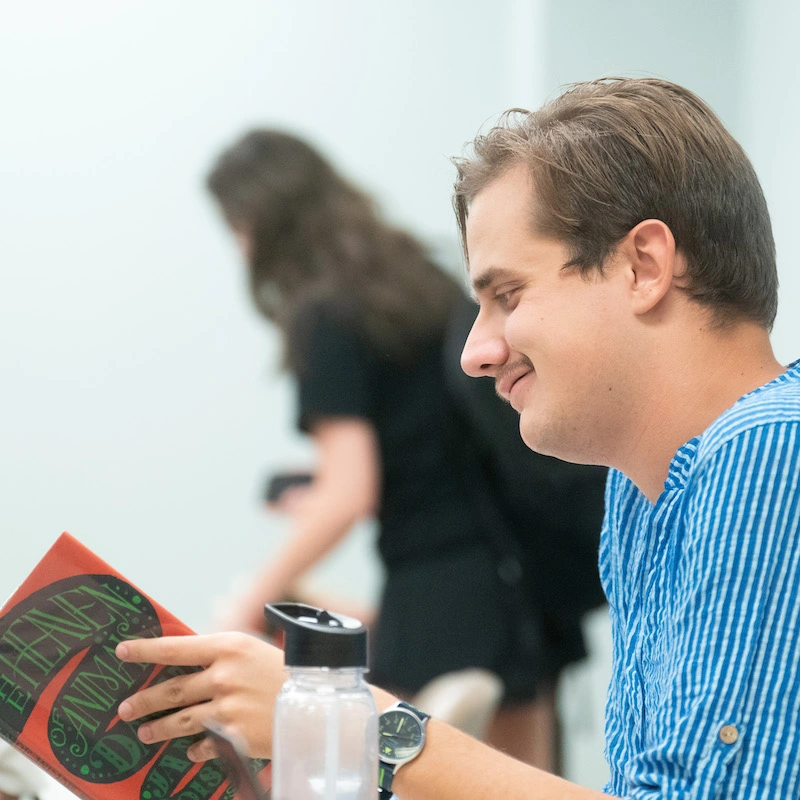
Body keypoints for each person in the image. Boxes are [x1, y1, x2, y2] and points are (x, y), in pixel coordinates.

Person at [114, 76, 800, 798]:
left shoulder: (766, 454)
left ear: (644, 267)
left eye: (508, 296)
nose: (475, 354)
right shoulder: (639, 500)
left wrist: (357, 722)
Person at [202, 130, 605, 769]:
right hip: (510, 584)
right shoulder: (417, 280)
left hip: (436, 604)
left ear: (255, 220)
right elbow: (428, 447)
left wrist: (249, 606)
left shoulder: (323, 316)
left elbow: (348, 494)